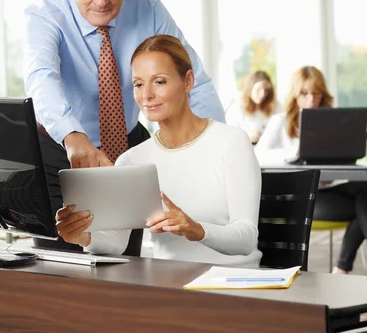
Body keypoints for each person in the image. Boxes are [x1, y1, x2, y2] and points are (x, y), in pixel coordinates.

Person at [24, 0, 225, 251]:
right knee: (60, 260)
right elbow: (41, 79)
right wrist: (72, 135)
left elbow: (192, 79)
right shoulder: (46, 14)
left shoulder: (147, 5)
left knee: (123, 259)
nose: (101, 1)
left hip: (127, 143)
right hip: (60, 147)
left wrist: (218, 144)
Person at [56, 35, 261, 267]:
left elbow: (246, 238)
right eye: (138, 84)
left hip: (233, 283)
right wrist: (82, 235)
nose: (147, 95)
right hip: (170, 286)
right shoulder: (132, 160)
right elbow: (117, 242)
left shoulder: (231, 142)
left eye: (160, 81)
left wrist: (197, 229)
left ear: (188, 81)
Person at [255, 65, 367, 274]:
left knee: (366, 189)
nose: (311, 100)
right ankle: (341, 268)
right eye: (305, 93)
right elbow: (259, 155)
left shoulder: (333, 122)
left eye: (316, 94)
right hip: (304, 196)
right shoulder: (280, 121)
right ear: (295, 95)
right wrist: (295, 150)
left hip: (331, 188)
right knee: (364, 208)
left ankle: (341, 270)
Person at [225, 70, 278, 144]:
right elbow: (229, 138)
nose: (263, 94)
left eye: (266, 90)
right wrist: (248, 137)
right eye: (258, 90)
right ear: (250, 89)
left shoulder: (271, 106)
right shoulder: (236, 109)